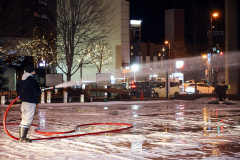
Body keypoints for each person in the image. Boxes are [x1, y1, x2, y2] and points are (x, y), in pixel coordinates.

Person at [17, 65, 41, 143]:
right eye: (34, 71)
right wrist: (39, 89)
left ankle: (21, 137)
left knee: (24, 119)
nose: (34, 72)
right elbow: (37, 92)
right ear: (32, 71)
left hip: (23, 103)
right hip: (30, 103)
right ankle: (23, 138)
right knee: (27, 120)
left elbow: (19, 91)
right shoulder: (33, 80)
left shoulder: (22, 80)